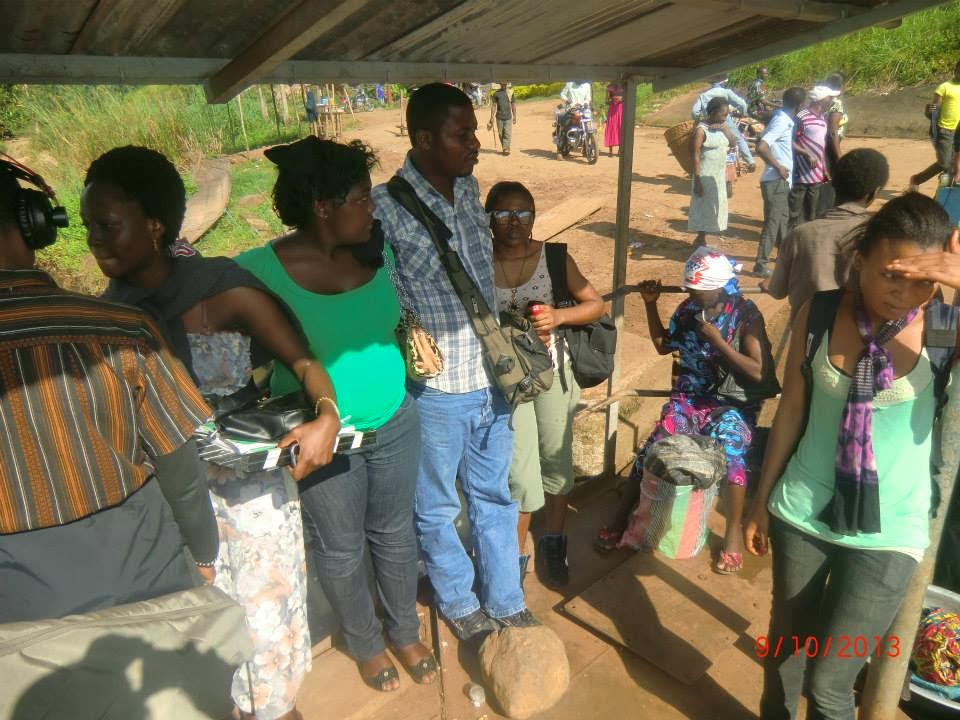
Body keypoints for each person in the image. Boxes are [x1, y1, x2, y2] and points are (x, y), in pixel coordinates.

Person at [85, 145, 339, 720]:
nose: (94, 239)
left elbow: (304, 364)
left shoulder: (223, 290)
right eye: (88, 226)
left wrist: (326, 416)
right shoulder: (107, 317)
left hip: (251, 501)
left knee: (264, 625)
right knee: (197, 636)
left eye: (107, 225)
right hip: (170, 504)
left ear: (154, 226)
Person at [744, 193, 960, 719]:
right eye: (891, 274)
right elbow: (791, 411)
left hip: (891, 531)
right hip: (801, 510)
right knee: (785, 649)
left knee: (830, 683)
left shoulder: (945, 327)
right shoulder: (819, 311)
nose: (904, 294)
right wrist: (760, 502)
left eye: (922, 281)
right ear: (860, 259)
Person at [235, 136, 438, 692]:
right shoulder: (257, 272)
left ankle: (403, 631)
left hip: (395, 418)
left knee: (395, 533)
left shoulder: (377, 250)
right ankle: (365, 643)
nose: (372, 207)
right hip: (326, 438)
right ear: (323, 207)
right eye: (361, 198)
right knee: (342, 548)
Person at [0, 156, 218, 623]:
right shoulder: (122, 329)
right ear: (33, 222)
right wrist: (203, 553)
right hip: (143, 579)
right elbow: (180, 471)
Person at [373, 83, 538, 642]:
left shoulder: (469, 189)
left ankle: (506, 599)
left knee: (495, 495)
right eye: (461, 133)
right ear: (423, 139)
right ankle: (459, 601)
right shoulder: (382, 208)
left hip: (494, 378)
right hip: (438, 391)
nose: (475, 142)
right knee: (437, 506)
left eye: (474, 130)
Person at [596, 247, 772, 575]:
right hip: (689, 399)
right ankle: (621, 517)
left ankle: (732, 533)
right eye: (690, 288)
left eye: (698, 289)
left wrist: (718, 342)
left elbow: (759, 371)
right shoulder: (689, 309)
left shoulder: (747, 316)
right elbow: (664, 345)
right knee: (654, 446)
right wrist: (650, 304)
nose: (691, 293)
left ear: (719, 287)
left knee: (733, 452)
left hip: (730, 403)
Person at [486, 181, 604, 588]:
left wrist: (558, 317)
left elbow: (595, 304)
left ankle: (553, 540)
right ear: (489, 219)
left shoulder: (553, 257)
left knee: (556, 458)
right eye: (503, 213)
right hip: (507, 382)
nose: (514, 222)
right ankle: (517, 553)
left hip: (554, 374)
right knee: (520, 472)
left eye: (523, 213)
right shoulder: (478, 261)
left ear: (534, 217)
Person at [763, 148, 889, 320]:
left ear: (833, 185)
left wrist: (770, 283)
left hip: (806, 332)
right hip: (860, 334)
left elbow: (777, 291)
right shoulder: (882, 237)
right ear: (874, 192)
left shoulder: (799, 235)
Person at [753, 86, 807, 277]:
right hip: (776, 180)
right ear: (800, 105)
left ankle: (785, 260)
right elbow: (761, 146)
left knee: (782, 222)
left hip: (780, 182)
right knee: (773, 224)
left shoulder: (782, 118)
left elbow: (776, 141)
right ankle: (760, 265)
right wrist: (778, 167)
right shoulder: (781, 120)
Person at [788, 85, 841, 230]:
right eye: (830, 98)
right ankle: (788, 238)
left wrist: (824, 168)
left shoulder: (822, 118)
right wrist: (806, 154)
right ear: (822, 100)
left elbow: (820, 146)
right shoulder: (801, 117)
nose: (832, 101)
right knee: (794, 211)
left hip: (816, 174)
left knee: (811, 213)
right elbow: (790, 141)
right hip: (801, 173)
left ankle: (806, 236)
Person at [689, 97, 736, 248]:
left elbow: (733, 143)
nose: (725, 117)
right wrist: (698, 181)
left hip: (718, 176)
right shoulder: (701, 130)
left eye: (727, 114)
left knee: (715, 206)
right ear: (714, 112)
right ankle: (700, 238)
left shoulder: (723, 127)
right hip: (705, 176)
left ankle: (702, 239)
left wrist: (726, 130)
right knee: (704, 207)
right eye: (723, 114)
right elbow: (695, 156)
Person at [909, 60, 960, 191]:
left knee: (953, 164)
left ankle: (945, 192)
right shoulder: (944, 87)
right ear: (955, 70)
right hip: (946, 130)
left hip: (959, 131)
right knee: (944, 163)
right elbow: (934, 110)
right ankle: (917, 179)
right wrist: (929, 110)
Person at [692, 75, 756, 170]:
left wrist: (702, 119)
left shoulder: (703, 95)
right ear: (722, 83)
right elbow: (742, 104)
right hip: (726, 121)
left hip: (709, 123)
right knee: (738, 139)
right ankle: (750, 161)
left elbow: (694, 112)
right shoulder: (726, 92)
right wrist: (743, 113)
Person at [819, 72, 849, 214]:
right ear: (842, 86)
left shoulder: (825, 100)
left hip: (823, 145)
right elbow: (832, 132)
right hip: (829, 147)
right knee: (829, 181)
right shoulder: (836, 103)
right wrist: (839, 156)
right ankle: (824, 213)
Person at [487, 82, 516, 156]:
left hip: (508, 117)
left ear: (506, 84)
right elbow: (494, 106)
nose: (504, 85)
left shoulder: (510, 93)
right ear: (500, 84)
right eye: (503, 84)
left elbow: (513, 104)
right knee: (501, 134)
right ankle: (504, 147)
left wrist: (514, 116)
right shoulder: (496, 94)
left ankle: (506, 148)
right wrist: (492, 117)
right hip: (499, 117)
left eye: (505, 84)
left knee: (507, 133)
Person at [604, 81, 624, 157]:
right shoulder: (609, 87)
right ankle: (610, 151)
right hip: (612, 109)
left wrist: (621, 99)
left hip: (620, 109)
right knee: (611, 128)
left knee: (620, 127)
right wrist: (612, 99)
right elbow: (606, 101)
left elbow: (628, 98)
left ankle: (620, 150)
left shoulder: (624, 85)